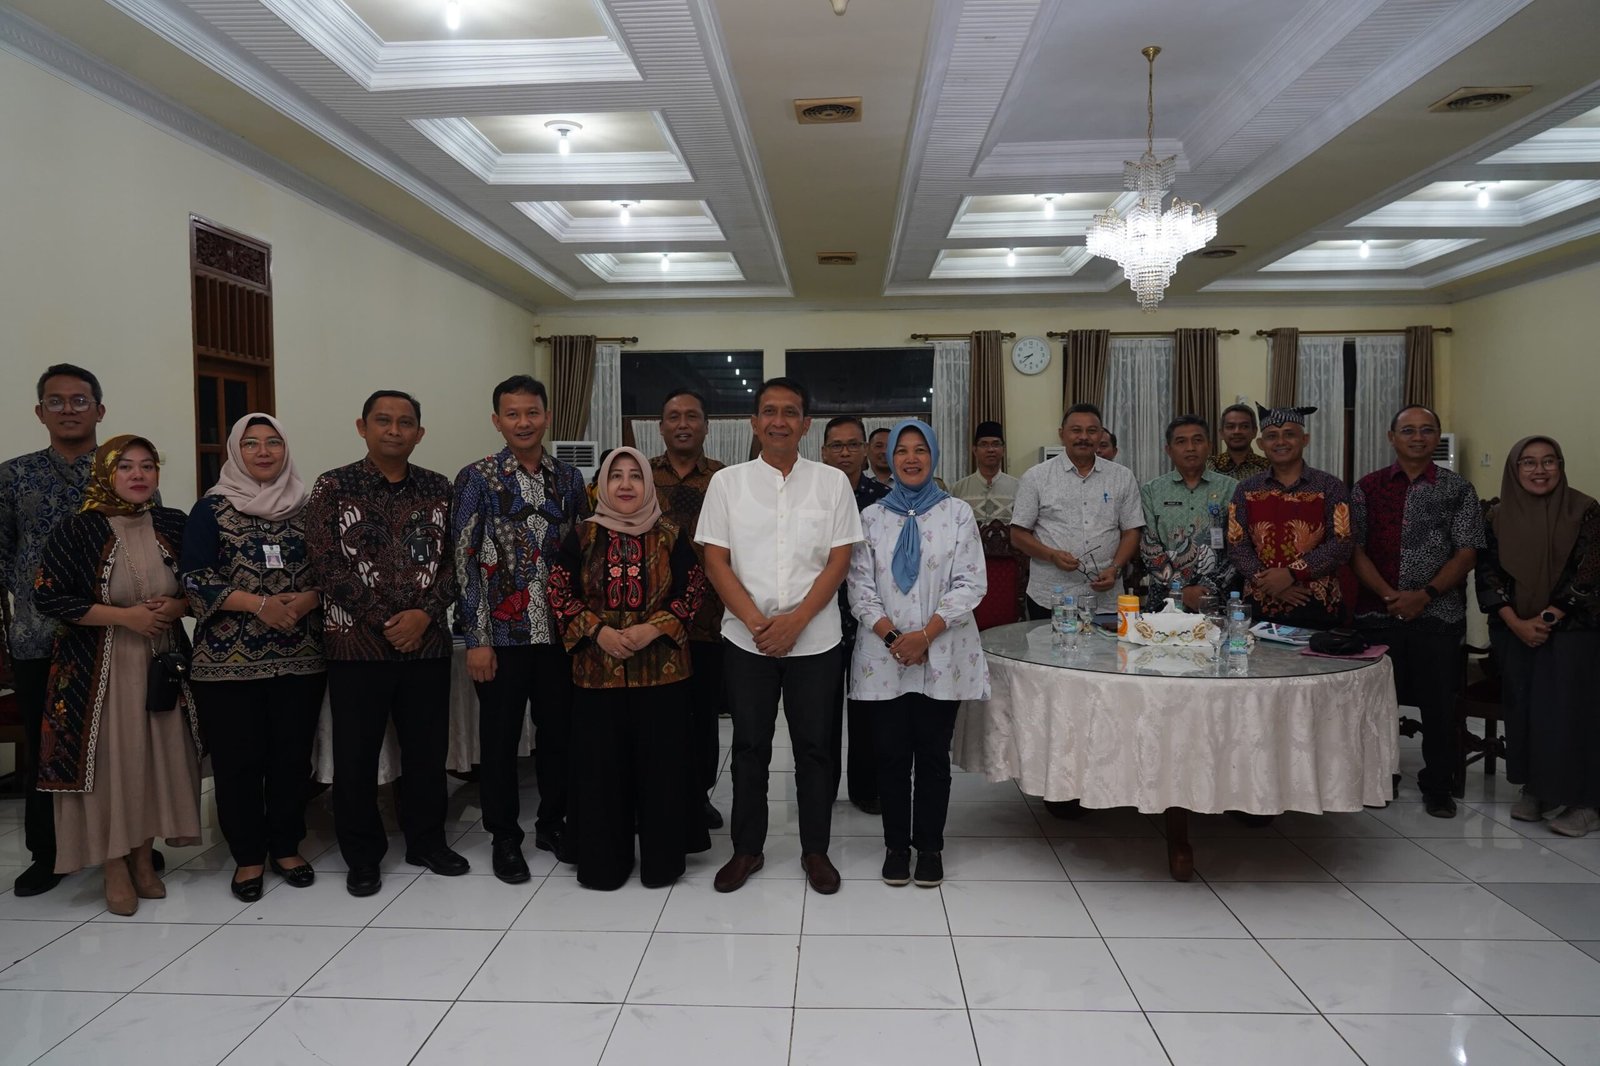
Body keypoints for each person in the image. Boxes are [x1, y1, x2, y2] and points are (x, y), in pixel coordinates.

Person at [696, 378, 863, 895]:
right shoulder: (727, 484)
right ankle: (747, 849)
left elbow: (839, 560)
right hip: (746, 640)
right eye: (769, 411)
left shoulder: (831, 483)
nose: (779, 421)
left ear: (806, 424)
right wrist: (756, 622)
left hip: (816, 640)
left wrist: (795, 621)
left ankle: (816, 850)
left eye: (790, 412)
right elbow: (715, 560)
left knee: (816, 749)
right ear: (754, 422)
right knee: (749, 747)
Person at [305, 391, 467, 897]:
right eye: (383, 420)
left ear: (420, 432)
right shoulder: (333, 486)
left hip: (427, 645)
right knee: (355, 758)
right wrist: (386, 620)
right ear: (362, 427)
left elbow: (456, 560)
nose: (394, 430)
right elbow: (326, 563)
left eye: (405, 422)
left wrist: (424, 614)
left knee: (427, 754)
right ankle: (362, 856)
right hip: (356, 648)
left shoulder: (440, 488)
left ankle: (427, 842)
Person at [33, 435, 200, 916]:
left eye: (148, 466)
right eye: (126, 466)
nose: (138, 475)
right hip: (98, 671)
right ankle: (112, 865)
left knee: (154, 760)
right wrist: (126, 617)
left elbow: (201, 582)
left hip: (161, 664)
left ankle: (144, 860)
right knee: (110, 767)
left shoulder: (172, 522)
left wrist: (178, 606)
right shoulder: (77, 528)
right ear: (106, 472)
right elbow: (48, 596)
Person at [0, 365, 138, 896]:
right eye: (55, 402)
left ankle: (125, 846)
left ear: (100, 410)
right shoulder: (13, 476)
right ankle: (49, 853)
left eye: (79, 401)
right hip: (39, 636)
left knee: (115, 747)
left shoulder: (124, 472)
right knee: (47, 749)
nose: (68, 410)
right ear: (40, 413)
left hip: (112, 635)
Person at [547, 448, 709, 889]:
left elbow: (693, 591)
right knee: (601, 772)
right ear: (601, 484)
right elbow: (558, 591)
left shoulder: (671, 535)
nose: (624, 484)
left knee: (662, 771)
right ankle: (604, 863)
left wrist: (653, 629)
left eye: (635, 476)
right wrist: (598, 632)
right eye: (615, 475)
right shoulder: (581, 536)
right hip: (597, 674)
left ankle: (662, 861)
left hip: (662, 675)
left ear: (648, 485)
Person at [181, 414, 326, 900]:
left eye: (273, 443)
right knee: (238, 763)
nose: (263, 452)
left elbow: (333, 569)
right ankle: (247, 856)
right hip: (227, 664)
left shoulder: (309, 507)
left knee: (291, 758)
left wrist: (307, 600)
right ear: (235, 452)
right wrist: (259, 605)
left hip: (301, 657)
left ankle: (286, 847)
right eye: (251, 444)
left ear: (286, 450)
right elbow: (195, 578)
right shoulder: (211, 509)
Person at [454, 375, 590, 883]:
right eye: (512, 414)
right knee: (500, 742)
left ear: (547, 416)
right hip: (502, 638)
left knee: (560, 737)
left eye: (532, 412)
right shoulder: (477, 478)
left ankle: (552, 824)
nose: (523, 422)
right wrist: (477, 640)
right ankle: (504, 838)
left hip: (559, 638)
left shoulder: (570, 480)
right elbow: (464, 562)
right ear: (497, 421)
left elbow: (584, 555)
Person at [848, 420, 988, 888]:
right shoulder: (870, 518)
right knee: (889, 757)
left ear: (934, 456)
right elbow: (859, 588)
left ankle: (929, 847)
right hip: (882, 657)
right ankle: (895, 846)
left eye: (920, 449)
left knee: (931, 757)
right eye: (902, 450)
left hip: (941, 652)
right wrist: (895, 639)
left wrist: (924, 636)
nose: (911, 458)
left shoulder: (957, 513)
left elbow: (971, 582)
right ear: (889, 457)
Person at [1350, 405, 1484, 820]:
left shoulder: (1458, 489)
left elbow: (1467, 552)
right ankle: (1380, 776)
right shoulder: (1367, 487)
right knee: (1376, 704)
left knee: (1439, 706)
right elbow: (1354, 549)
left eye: (1427, 430)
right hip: (1377, 614)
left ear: (1437, 437)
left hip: (1438, 616)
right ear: (1391, 437)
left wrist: (1424, 595)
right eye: (1408, 430)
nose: (1417, 437)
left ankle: (1438, 785)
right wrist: (1389, 595)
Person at [1476, 436, 1600, 837]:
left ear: (1561, 466)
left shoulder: (1586, 510)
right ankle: (1538, 789)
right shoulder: (1495, 515)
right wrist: (1515, 622)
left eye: (1549, 461)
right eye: (1528, 462)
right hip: (1514, 629)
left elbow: (1588, 572)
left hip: (1573, 630)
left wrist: (1546, 618)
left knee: (1569, 714)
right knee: (1525, 710)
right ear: (1515, 469)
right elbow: (1488, 574)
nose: (1539, 470)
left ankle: (1585, 802)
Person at [651, 388, 726, 830]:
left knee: (703, 715)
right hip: (649, 622)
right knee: (658, 717)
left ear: (706, 426)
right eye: (673, 416)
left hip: (708, 620)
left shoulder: (725, 479)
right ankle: (657, 796)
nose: (683, 424)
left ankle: (698, 797)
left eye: (692, 416)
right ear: (660, 427)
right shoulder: (639, 475)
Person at [1010, 403, 1143, 619]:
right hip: (1050, 597)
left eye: (1091, 431)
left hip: (1105, 599)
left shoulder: (1122, 477)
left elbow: (1132, 531)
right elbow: (1018, 534)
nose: (1084, 437)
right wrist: (1051, 555)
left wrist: (1115, 568)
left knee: (1107, 644)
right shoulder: (1035, 477)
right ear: (1062, 434)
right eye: (1076, 430)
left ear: (1100, 435)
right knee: (1046, 643)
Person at [1227, 405, 1354, 628]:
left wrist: (1292, 574)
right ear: (1261, 444)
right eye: (1272, 436)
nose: (1280, 442)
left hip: (1317, 607)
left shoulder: (1330, 486)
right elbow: (1237, 545)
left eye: (1289, 434)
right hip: (1259, 608)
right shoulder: (1245, 489)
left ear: (1305, 439)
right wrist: (1270, 582)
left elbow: (1342, 543)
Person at [819, 415, 889, 814]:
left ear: (865, 450)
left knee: (867, 710)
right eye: (836, 445)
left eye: (852, 445)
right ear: (823, 452)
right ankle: (822, 788)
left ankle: (866, 788)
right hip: (820, 618)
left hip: (870, 621)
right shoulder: (811, 496)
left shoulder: (884, 499)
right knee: (822, 712)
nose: (844, 452)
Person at [1139, 416, 1237, 611]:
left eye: (1197, 440)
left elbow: (1238, 546)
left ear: (1209, 446)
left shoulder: (1232, 488)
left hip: (1218, 597)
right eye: (1181, 442)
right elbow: (1149, 546)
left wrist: (1208, 588)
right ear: (1168, 450)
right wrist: (1180, 589)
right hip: (1164, 599)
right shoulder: (1152, 491)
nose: (1190, 448)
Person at [951, 421, 1024, 629]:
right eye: (984, 444)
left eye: (996, 444)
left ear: (1003, 449)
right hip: (969, 569)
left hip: (1009, 571)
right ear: (974, 450)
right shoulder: (958, 489)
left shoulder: (1019, 487)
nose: (990, 449)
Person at [1210, 403, 1271, 478]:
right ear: (1221, 433)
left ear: (1254, 432)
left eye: (1244, 426)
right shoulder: (1209, 466)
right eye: (1230, 427)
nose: (1237, 431)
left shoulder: (1269, 468)